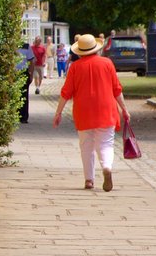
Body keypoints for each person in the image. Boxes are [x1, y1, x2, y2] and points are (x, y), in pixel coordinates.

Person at [53, 34, 131, 192]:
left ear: (80, 51)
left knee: (86, 145)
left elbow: (66, 92)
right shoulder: (107, 63)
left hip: (83, 111)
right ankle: (107, 167)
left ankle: (89, 179)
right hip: (106, 109)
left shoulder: (75, 67)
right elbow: (117, 89)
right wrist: (124, 109)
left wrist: (58, 112)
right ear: (96, 49)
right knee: (106, 144)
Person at [17, 43, 35, 123]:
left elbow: (31, 61)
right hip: (13, 73)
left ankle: (23, 117)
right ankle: (15, 115)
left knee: (24, 95)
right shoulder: (10, 43)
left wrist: (31, 74)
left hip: (23, 72)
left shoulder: (26, 46)